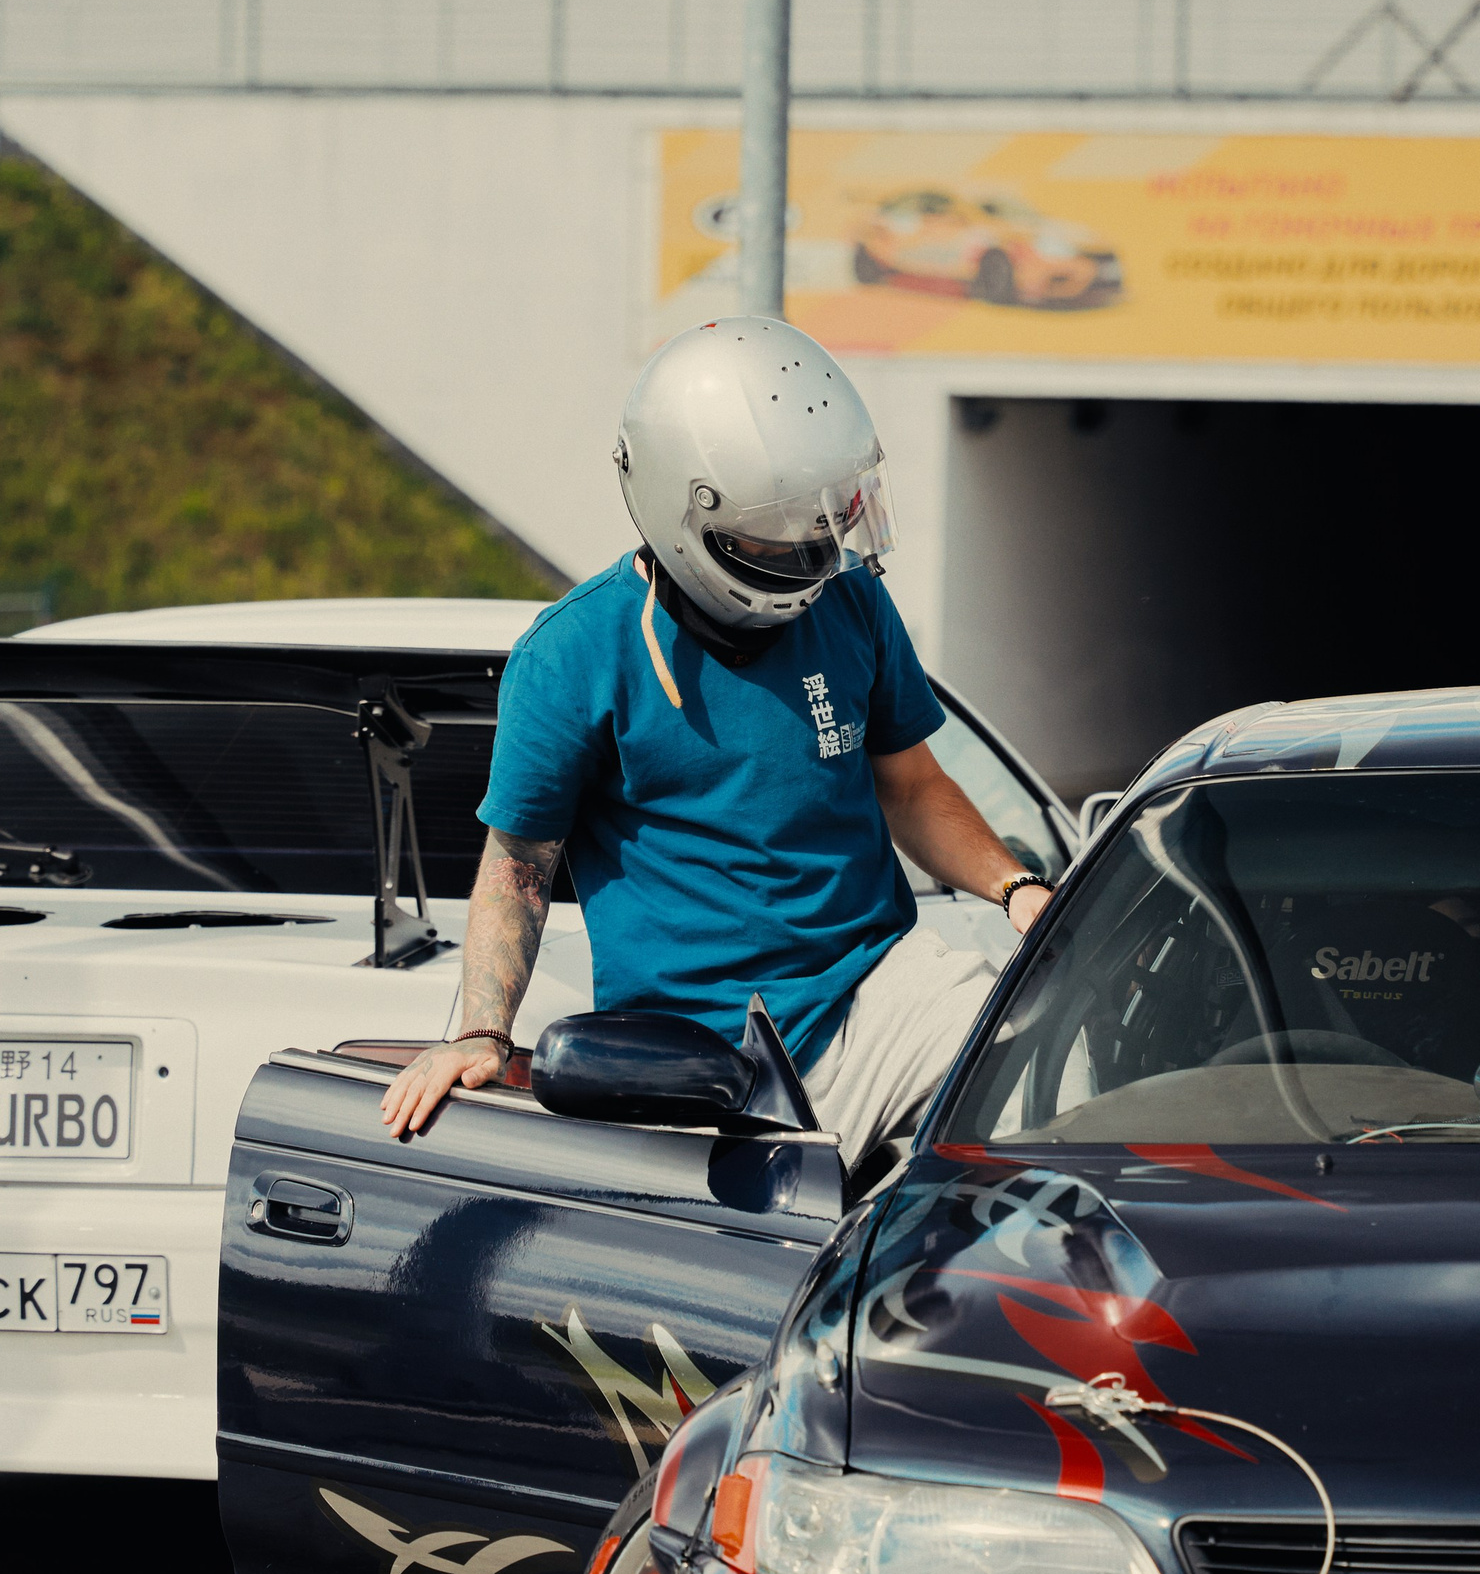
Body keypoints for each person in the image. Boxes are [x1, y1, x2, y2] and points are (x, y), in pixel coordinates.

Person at [381, 316, 1052, 1178]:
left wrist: (1017, 888)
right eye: (780, 529)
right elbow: (518, 866)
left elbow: (914, 786)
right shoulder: (572, 654)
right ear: (684, 510)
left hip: (883, 986)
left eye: (825, 516)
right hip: (700, 1057)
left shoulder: (853, 602)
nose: (814, 547)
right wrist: (480, 1031)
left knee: (1052, 1085)